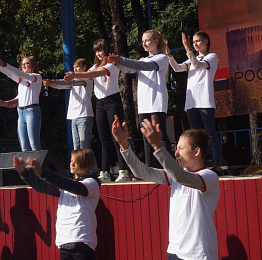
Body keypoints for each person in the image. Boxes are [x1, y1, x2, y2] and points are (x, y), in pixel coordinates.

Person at [112, 116, 220, 260]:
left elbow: (182, 176)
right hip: (176, 256)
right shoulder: (174, 175)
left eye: (181, 148)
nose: (177, 153)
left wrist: (157, 146)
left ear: (197, 151)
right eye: (175, 148)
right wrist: (124, 145)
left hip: (201, 257)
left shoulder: (209, 177)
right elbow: (141, 171)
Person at [64, 39, 130, 182]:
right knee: (103, 139)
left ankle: (123, 170)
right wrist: (69, 77)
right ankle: (105, 171)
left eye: (100, 50)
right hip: (100, 103)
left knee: (116, 138)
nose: (98, 54)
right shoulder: (94, 66)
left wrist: (75, 75)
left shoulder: (112, 65)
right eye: (96, 51)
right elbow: (88, 74)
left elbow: (93, 75)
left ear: (107, 50)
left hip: (113, 102)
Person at [107, 30, 172, 168]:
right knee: (146, 138)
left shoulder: (162, 58)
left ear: (156, 41)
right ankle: (150, 170)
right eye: (142, 41)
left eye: (147, 40)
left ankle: (169, 169)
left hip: (157, 102)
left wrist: (121, 59)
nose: (144, 44)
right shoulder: (143, 59)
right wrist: (117, 63)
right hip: (144, 104)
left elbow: (144, 66)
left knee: (160, 136)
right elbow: (130, 69)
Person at [167, 31, 221, 166]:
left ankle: (217, 165)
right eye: (193, 42)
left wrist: (187, 48)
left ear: (206, 41)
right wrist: (169, 55)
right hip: (192, 102)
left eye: (198, 41)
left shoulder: (212, 57)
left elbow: (197, 65)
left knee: (210, 134)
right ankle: (197, 165)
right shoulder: (192, 59)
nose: (195, 44)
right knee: (194, 137)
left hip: (205, 101)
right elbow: (178, 68)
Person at [0, 55, 43, 151]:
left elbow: (19, 73)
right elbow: (11, 75)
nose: (23, 66)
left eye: (26, 63)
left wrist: (4, 65)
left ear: (33, 65)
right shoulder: (21, 81)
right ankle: (27, 162)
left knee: (34, 144)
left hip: (32, 111)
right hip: (21, 113)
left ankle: (38, 161)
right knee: (24, 146)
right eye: (22, 64)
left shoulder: (37, 77)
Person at [44, 58, 94, 151]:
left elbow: (71, 82)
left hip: (84, 115)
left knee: (85, 147)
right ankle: (78, 161)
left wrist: (53, 81)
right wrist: (51, 84)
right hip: (73, 116)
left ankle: (90, 161)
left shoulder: (87, 79)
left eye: (77, 67)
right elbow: (64, 85)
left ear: (84, 67)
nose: (75, 69)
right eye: (74, 67)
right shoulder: (73, 80)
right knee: (76, 147)